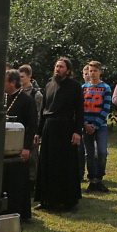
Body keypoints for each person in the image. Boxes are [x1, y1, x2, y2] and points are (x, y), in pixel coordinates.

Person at [35, 57, 83, 212]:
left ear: (68, 70)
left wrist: (77, 131)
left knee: (66, 165)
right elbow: (43, 111)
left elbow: (79, 111)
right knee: (47, 164)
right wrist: (38, 132)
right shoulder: (48, 86)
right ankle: (46, 200)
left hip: (66, 128)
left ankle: (69, 201)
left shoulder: (75, 86)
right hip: (49, 128)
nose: (58, 69)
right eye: (56, 66)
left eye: (61, 67)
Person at [1, 69, 38, 221]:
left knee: (17, 182)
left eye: (4, 81)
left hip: (19, 148)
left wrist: (27, 147)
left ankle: (19, 213)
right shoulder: (1, 98)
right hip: (3, 148)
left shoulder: (27, 100)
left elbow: (32, 125)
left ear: (12, 82)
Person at [82, 61, 113, 193]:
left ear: (100, 72)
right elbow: (79, 108)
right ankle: (92, 179)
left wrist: (95, 125)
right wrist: (85, 124)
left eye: (95, 70)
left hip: (100, 126)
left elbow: (106, 109)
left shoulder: (106, 88)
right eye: (90, 71)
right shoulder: (83, 88)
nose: (92, 73)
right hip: (86, 125)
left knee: (102, 152)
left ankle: (99, 178)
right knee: (89, 153)